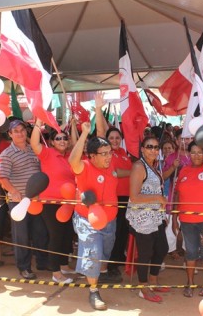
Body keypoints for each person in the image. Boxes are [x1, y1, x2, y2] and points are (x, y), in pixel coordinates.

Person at [68, 122, 118, 311]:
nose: (108, 157)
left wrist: (98, 109)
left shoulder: (109, 163)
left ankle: (95, 274)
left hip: (110, 221)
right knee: (93, 252)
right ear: (92, 156)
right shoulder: (85, 167)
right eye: (104, 154)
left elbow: (102, 134)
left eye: (109, 152)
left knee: (104, 253)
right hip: (87, 220)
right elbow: (73, 160)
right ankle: (93, 290)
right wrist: (84, 133)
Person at [0, 119, 48, 280]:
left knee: (41, 232)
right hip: (18, 202)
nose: (20, 133)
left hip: (36, 200)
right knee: (21, 236)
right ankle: (24, 267)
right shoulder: (7, 154)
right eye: (16, 131)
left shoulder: (34, 150)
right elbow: (2, 178)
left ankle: (42, 262)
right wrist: (13, 191)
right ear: (10, 134)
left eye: (22, 130)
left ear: (27, 132)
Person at [172, 131, 203, 298]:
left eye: (200, 152)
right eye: (193, 152)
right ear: (189, 153)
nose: (196, 155)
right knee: (191, 252)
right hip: (186, 220)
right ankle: (190, 282)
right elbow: (177, 196)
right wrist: (174, 219)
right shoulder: (184, 171)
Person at [30, 118, 77, 284]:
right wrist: (37, 123)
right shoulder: (47, 153)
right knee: (56, 236)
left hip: (68, 203)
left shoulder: (70, 157)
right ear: (51, 141)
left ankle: (64, 265)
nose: (62, 141)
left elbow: (76, 143)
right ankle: (56, 273)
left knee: (66, 236)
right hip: (51, 203)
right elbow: (34, 143)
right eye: (58, 138)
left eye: (64, 138)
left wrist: (72, 125)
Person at [126, 136, 169, 303]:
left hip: (155, 216)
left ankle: (153, 281)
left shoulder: (153, 166)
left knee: (162, 248)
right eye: (149, 147)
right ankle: (143, 288)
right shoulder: (139, 166)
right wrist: (158, 197)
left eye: (156, 147)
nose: (154, 150)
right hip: (142, 218)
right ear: (142, 149)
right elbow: (134, 197)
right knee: (145, 253)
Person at [95, 92, 131, 279]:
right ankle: (110, 265)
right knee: (112, 234)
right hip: (113, 199)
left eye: (118, 138)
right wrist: (98, 109)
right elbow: (118, 173)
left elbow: (124, 172)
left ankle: (116, 260)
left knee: (122, 232)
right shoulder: (107, 154)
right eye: (112, 138)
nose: (115, 141)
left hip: (126, 199)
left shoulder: (124, 153)